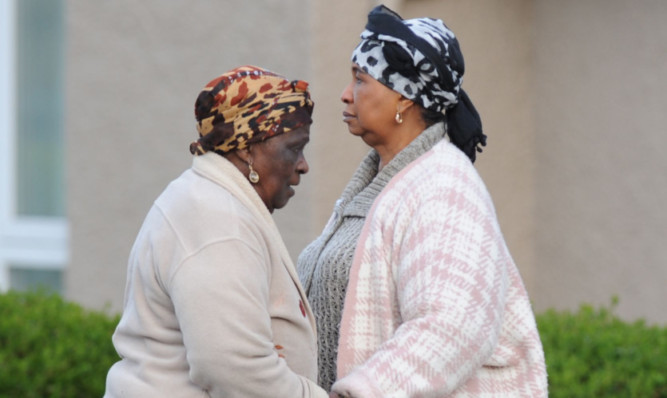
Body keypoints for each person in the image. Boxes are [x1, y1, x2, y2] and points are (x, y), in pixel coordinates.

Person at [297, 6, 548, 397]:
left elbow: (452, 325)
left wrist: (363, 391)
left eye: (360, 79)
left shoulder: (445, 187)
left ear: (404, 98)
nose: (346, 94)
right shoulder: (378, 185)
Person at [104, 65, 328, 398]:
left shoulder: (209, 202)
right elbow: (234, 368)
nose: (303, 164)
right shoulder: (217, 220)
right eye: (294, 148)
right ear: (246, 148)